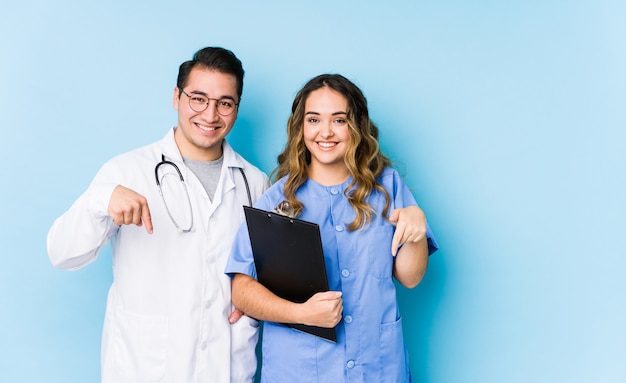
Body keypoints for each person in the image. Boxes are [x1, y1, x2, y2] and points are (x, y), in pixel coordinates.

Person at [47, 47, 268, 383]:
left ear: (236, 109)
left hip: (228, 367)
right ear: (176, 97)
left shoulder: (254, 182)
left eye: (225, 102)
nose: (210, 115)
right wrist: (100, 200)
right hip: (146, 368)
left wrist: (255, 300)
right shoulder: (127, 170)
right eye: (198, 98)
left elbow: (263, 268)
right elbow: (62, 254)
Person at [226, 74, 439, 382]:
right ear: (301, 127)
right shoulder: (276, 202)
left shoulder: (387, 187)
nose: (325, 132)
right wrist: (301, 314)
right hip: (299, 369)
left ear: (356, 126)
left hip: (376, 367)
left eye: (339, 120)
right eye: (314, 119)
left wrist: (416, 228)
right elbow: (242, 292)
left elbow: (410, 276)